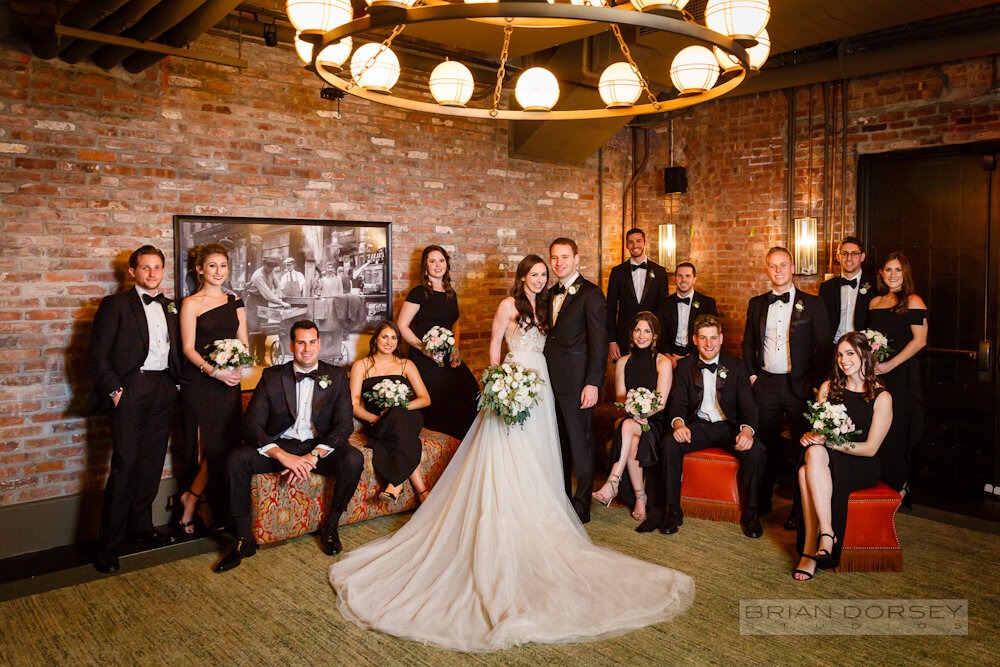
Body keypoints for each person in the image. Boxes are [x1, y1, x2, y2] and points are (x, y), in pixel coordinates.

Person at [329, 255, 694, 652]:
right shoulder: (508, 305)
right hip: (513, 381)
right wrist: (502, 381)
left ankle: (538, 508)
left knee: (537, 451)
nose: (539, 279)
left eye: (543, 274)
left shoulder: (546, 306)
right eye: (534, 274)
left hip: (541, 387)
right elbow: (493, 345)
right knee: (504, 449)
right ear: (523, 277)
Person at [215, 320, 364, 572]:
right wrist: (282, 456)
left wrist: (314, 456)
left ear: (319, 344)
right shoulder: (272, 377)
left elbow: (343, 426)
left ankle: (331, 526)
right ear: (292, 345)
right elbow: (251, 425)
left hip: (319, 448)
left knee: (354, 459)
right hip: (282, 446)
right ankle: (243, 539)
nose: (307, 348)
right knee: (235, 459)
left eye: (312, 342)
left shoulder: (336, 376)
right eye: (301, 343)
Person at [86, 245, 181, 573]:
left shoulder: (170, 306)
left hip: (163, 389)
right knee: (125, 466)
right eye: (145, 268)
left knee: (151, 465)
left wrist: (178, 384)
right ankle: (108, 548)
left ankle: (141, 530)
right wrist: (115, 391)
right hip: (131, 390)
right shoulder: (116, 305)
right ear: (132, 272)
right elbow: (97, 355)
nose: (152, 273)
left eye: (157, 267)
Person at [793, 332, 892, 579]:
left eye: (850, 354)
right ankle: (826, 535)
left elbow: (871, 448)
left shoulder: (882, 397)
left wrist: (831, 444)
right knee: (812, 456)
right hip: (825, 458)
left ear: (864, 356)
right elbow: (820, 431)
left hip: (862, 463)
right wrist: (811, 436)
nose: (843, 360)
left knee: (808, 469)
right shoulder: (828, 388)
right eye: (839, 355)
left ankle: (809, 551)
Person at [656, 314, 765, 538]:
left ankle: (751, 515)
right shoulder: (685, 366)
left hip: (729, 427)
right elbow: (677, 403)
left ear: (721, 338)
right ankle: (672, 511)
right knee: (669, 443)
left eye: (713, 338)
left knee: (757, 451)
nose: (709, 344)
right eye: (703, 338)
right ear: (695, 340)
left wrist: (746, 430)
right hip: (698, 426)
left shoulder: (737, 366)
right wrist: (678, 424)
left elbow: (749, 407)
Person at [743, 246, 831, 519]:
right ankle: (762, 502)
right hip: (766, 383)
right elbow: (747, 343)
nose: (778, 270)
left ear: (792, 268)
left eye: (783, 265)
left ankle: (798, 508)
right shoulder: (757, 303)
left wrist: (816, 384)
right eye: (772, 265)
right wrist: (753, 376)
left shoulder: (813, 304)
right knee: (764, 444)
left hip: (799, 387)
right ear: (767, 269)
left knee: (800, 447)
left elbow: (826, 346)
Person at [177, 243, 248, 534]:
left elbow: (243, 342)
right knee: (208, 447)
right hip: (202, 384)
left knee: (227, 446)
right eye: (212, 266)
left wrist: (239, 367)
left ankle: (195, 499)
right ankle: (195, 500)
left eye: (223, 266)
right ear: (200, 270)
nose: (219, 271)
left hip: (230, 383)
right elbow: (188, 349)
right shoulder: (191, 303)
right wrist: (215, 372)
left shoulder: (236, 300)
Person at [545, 237, 609, 524]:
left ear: (577, 259)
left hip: (578, 383)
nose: (559, 263)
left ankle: (582, 503)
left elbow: (600, 343)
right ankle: (561, 498)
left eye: (565, 257)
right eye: (555, 258)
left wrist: (593, 383)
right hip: (549, 382)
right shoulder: (548, 294)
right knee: (558, 443)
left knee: (581, 443)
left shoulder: (591, 294)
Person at [593, 311, 672, 523]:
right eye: (637, 330)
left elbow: (661, 403)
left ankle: (613, 481)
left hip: (654, 420)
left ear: (655, 335)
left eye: (647, 331)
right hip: (631, 417)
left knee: (627, 426)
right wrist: (633, 411)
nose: (641, 335)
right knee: (631, 436)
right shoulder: (623, 362)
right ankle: (640, 497)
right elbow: (620, 399)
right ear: (631, 333)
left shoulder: (663, 362)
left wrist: (643, 413)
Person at [397, 245, 479, 439]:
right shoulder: (418, 293)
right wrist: (423, 349)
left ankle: (460, 442)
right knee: (442, 393)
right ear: (425, 266)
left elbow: (454, 325)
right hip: (424, 357)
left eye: (441, 260)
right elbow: (402, 325)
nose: (437, 265)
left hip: (447, 355)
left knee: (471, 390)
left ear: (447, 264)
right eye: (432, 261)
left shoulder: (451, 294)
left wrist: (455, 349)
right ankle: (439, 438)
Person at [867, 251, 927, 501]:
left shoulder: (914, 301)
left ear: (906, 274)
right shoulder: (874, 303)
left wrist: (890, 365)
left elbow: (920, 341)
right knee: (875, 428)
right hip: (876, 375)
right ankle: (876, 486)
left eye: (898, 270)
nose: (892, 275)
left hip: (901, 375)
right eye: (888, 270)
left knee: (897, 429)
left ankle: (899, 485)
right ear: (881, 273)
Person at [350, 320, 431, 504]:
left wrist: (400, 408)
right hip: (379, 421)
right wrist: (375, 418)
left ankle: (395, 484)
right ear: (376, 340)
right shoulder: (361, 365)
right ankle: (422, 492)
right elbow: (354, 404)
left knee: (399, 420)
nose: (389, 342)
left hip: (409, 416)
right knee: (403, 435)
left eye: (394, 338)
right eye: (384, 337)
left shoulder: (406, 365)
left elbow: (425, 398)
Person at [605, 228, 669, 362]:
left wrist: (660, 340)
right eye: (631, 242)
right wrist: (612, 341)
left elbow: (663, 309)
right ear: (627, 245)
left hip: (651, 337)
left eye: (638, 241)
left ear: (645, 243)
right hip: (624, 338)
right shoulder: (617, 272)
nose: (635, 246)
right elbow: (610, 309)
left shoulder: (660, 272)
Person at [819, 236, 877, 345]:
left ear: (862, 257)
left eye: (854, 254)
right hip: (834, 346)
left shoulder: (875, 286)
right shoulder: (827, 287)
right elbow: (822, 322)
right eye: (844, 254)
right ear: (838, 257)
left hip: (863, 347)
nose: (849, 258)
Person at [659, 262, 718, 366]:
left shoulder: (707, 303)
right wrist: (668, 356)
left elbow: (712, 335)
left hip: (696, 354)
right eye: (680, 276)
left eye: (687, 276)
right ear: (675, 279)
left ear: (694, 279)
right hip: (668, 355)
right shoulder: (664, 303)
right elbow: (660, 333)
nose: (683, 280)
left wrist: (690, 356)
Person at [243, 256, 288, 364]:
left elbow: (278, 286)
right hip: (253, 302)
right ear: (264, 265)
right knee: (253, 330)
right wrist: (280, 302)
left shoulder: (271, 272)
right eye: (269, 267)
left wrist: (277, 295)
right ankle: (249, 358)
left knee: (263, 330)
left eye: (272, 268)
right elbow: (267, 293)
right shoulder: (258, 276)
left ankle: (260, 359)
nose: (270, 270)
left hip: (264, 301)